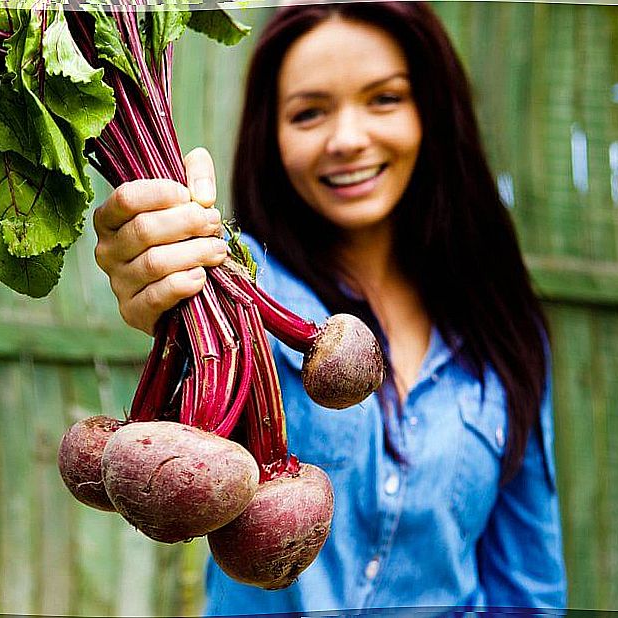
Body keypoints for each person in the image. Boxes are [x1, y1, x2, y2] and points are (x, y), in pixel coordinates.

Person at [92, 2, 567, 613]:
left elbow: (529, 587)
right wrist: (158, 279)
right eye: (310, 112)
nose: (347, 140)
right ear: (272, 134)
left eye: (384, 99)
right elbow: (170, 321)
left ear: (432, 109)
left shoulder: (503, 329)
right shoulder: (230, 298)